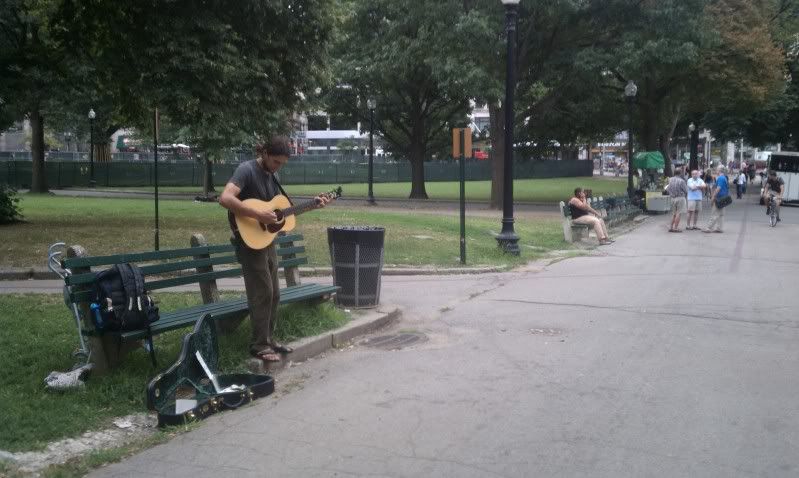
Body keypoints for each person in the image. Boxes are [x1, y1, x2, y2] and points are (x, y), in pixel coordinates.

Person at [219, 136, 331, 363]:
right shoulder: (246, 170)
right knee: (263, 292)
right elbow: (225, 198)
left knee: (275, 293)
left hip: (265, 239)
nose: (278, 167)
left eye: (282, 164)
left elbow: (280, 214)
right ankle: (258, 345)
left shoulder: (273, 176)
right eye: (276, 162)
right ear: (266, 154)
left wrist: (311, 205)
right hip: (248, 240)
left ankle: (269, 339)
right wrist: (257, 214)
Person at [704, 165, 730, 233]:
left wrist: (713, 197)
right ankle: (719, 228)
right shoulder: (724, 177)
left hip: (719, 198)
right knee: (721, 214)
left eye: (717, 169)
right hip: (724, 198)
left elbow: (718, 188)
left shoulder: (720, 178)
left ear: (720, 171)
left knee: (715, 213)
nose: (716, 170)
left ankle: (709, 228)